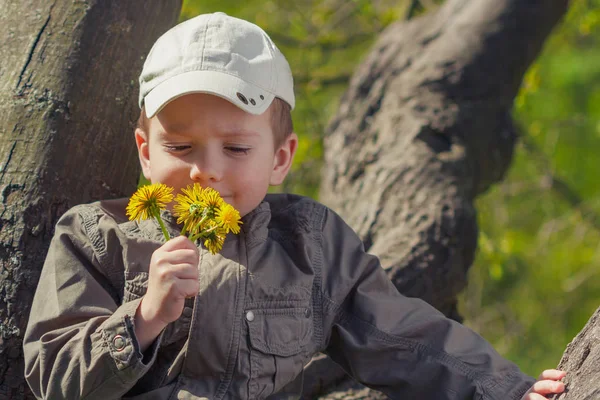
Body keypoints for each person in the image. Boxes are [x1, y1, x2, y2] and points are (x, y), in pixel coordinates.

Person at [23, 12, 566, 400]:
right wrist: (142, 320)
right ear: (145, 152)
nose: (205, 170)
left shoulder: (310, 242)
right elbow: (51, 376)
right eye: (180, 147)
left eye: (236, 148)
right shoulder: (98, 235)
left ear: (280, 158)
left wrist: (506, 389)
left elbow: (404, 339)